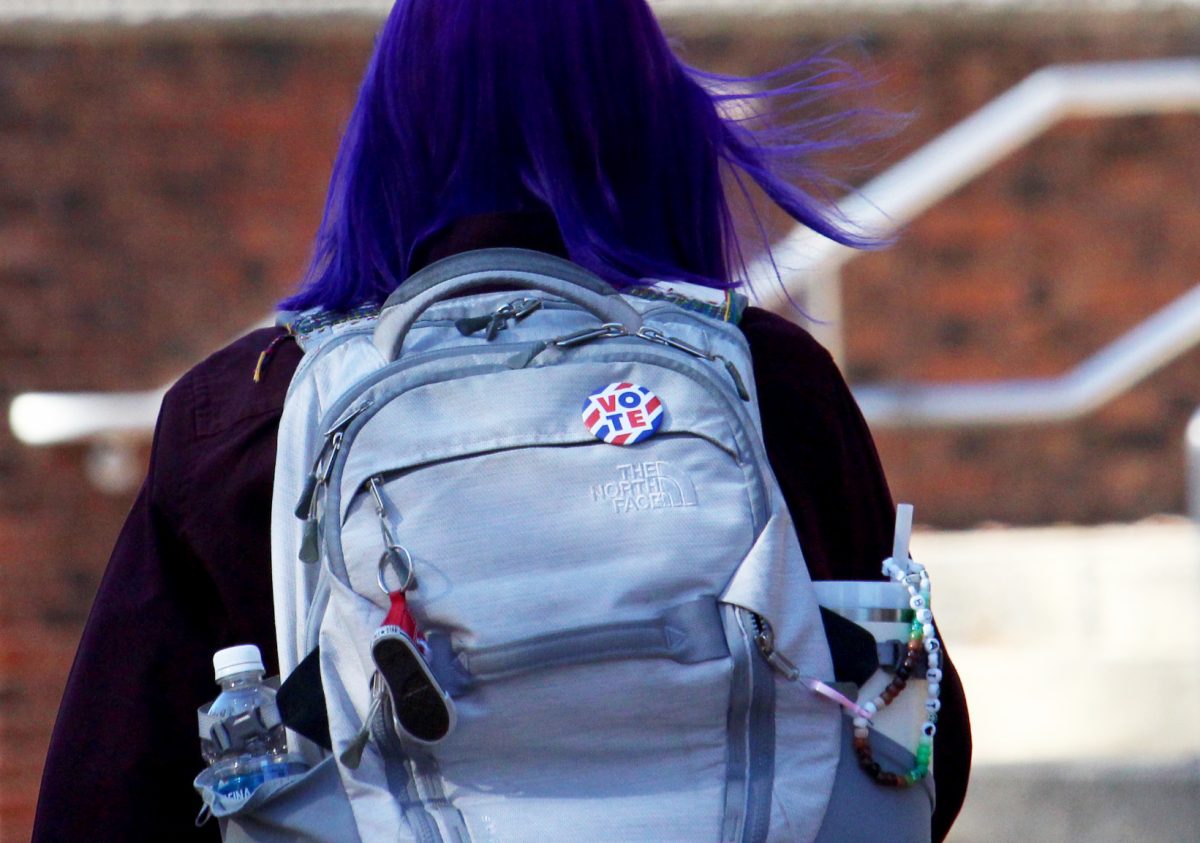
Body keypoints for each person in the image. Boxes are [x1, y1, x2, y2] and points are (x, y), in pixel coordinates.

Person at [33, 1, 971, 841]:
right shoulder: (772, 380)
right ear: (649, 125)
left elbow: (103, 801)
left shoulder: (245, 412)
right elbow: (919, 740)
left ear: (387, 137)